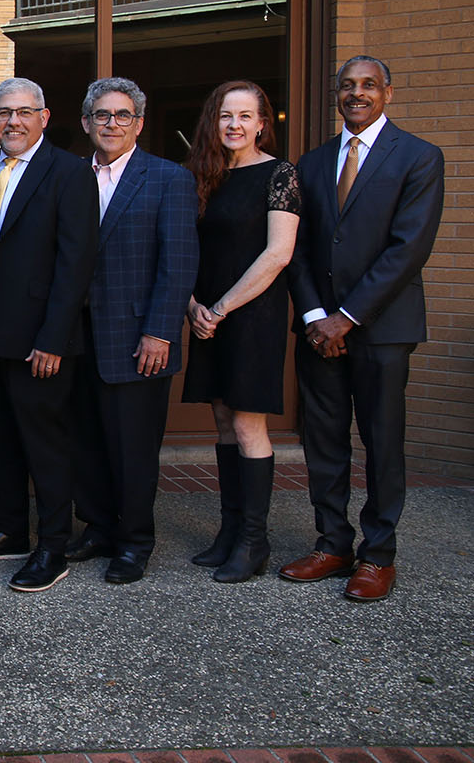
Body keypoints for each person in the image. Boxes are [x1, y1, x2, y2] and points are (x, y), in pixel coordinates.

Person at [281, 56, 444, 602]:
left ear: (388, 94)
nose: (357, 93)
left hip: (381, 327)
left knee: (381, 442)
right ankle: (332, 544)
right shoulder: (313, 160)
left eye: (368, 85)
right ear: (336, 94)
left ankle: (378, 554)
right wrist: (313, 318)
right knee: (324, 442)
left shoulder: (419, 157)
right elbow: (297, 250)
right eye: (347, 86)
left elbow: (408, 249)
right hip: (316, 330)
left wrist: (345, 319)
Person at [0, 77, 99, 593]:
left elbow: (76, 264)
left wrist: (54, 338)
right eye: (3, 112)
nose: (12, 121)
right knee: (2, 441)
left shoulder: (68, 172)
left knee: (46, 446)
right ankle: (12, 529)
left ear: (43, 116)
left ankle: (53, 546)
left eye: (23, 112)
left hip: (41, 342)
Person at [69, 78, 199, 584]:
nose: (112, 124)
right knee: (87, 441)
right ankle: (99, 527)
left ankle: (134, 541)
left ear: (139, 124)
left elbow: (179, 263)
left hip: (138, 338)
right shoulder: (72, 176)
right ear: (86, 123)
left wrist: (161, 332)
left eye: (123, 115)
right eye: (102, 115)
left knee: (133, 447)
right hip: (78, 337)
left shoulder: (168, 178)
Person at [181, 80, 301, 584]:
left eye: (245, 116)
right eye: (226, 115)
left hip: (251, 315)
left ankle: (254, 540)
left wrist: (222, 307)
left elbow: (278, 254)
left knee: (250, 424)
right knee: (223, 420)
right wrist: (192, 306)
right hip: (206, 315)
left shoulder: (279, 174)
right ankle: (230, 531)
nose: (234, 125)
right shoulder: (200, 176)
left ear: (261, 124)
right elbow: (181, 248)